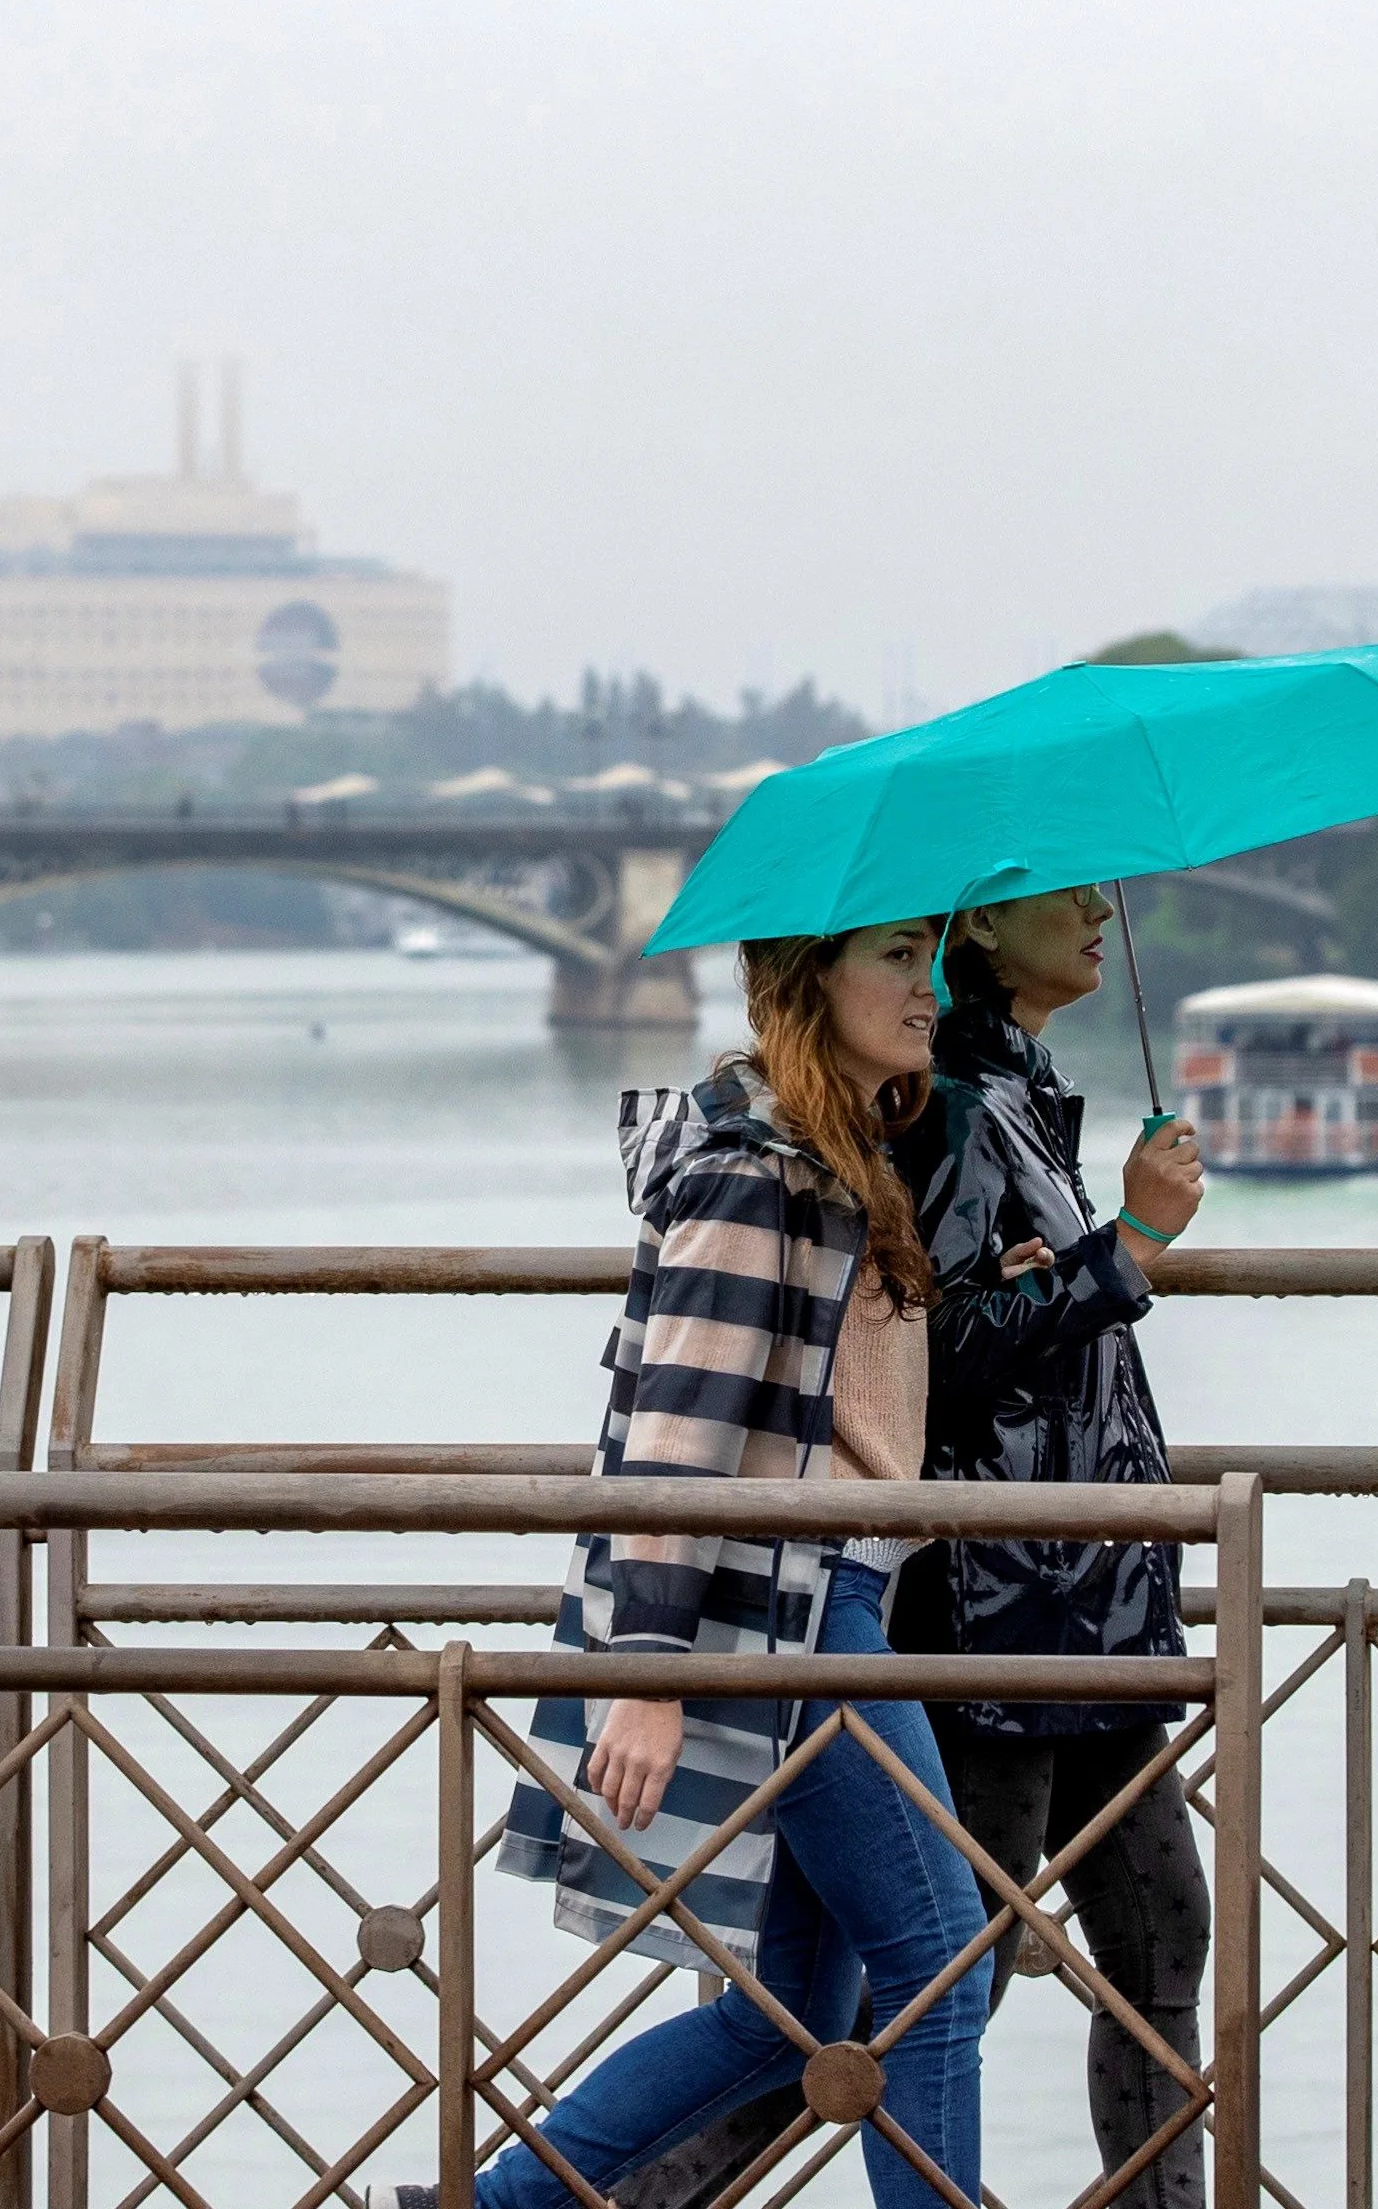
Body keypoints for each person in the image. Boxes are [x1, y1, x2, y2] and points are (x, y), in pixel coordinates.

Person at [375, 918, 991, 2209]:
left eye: (928, 956)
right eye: (893, 956)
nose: (926, 986)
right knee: (938, 1975)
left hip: (828, 1600)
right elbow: (674, 1431)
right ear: (804, 980)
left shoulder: (831, 1160)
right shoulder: (751, 1170)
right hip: (802, 1625)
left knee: (782, 2017)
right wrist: (644, 1671)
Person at [616, 882, 1211, 2208]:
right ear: (980, 931)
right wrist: (1130, 1244)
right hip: (988, 1597)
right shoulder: (929, 1108)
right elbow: (914, 1354)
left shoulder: (1000, 1098)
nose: (1104, 913)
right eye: (1071, 888)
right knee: (936, 1976)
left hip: (1076, 1582)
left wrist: (1100, 1248)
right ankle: (599, 2196)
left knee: (1141, 1941)